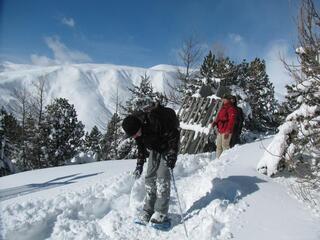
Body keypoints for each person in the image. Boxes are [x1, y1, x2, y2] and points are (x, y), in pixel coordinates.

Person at [122, 105, 180, 227]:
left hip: (168, 146)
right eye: (132, 136)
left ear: (139, 127)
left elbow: (174, 135)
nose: (134, 137)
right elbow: (141, 148)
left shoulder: (155, 121)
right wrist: (139, 164)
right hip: (155, 148)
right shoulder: (137, 132)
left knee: (162, 177)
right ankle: (148, 210)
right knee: (149, 177)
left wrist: (172, 155)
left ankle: (160, 212)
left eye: (134, 134)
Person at [211, 94, 237, 158]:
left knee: (225, 146)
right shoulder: (223, 107)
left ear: (228, 100)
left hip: (226, 130)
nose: (223, 100)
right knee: (218, 146)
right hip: (221, 129)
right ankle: (218, 160)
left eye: (224, 99)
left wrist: (228, 131)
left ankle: (225, 162)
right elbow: (219, 117)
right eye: (223, 99)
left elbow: (232, 121)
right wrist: (215, 122)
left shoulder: (231, 108)